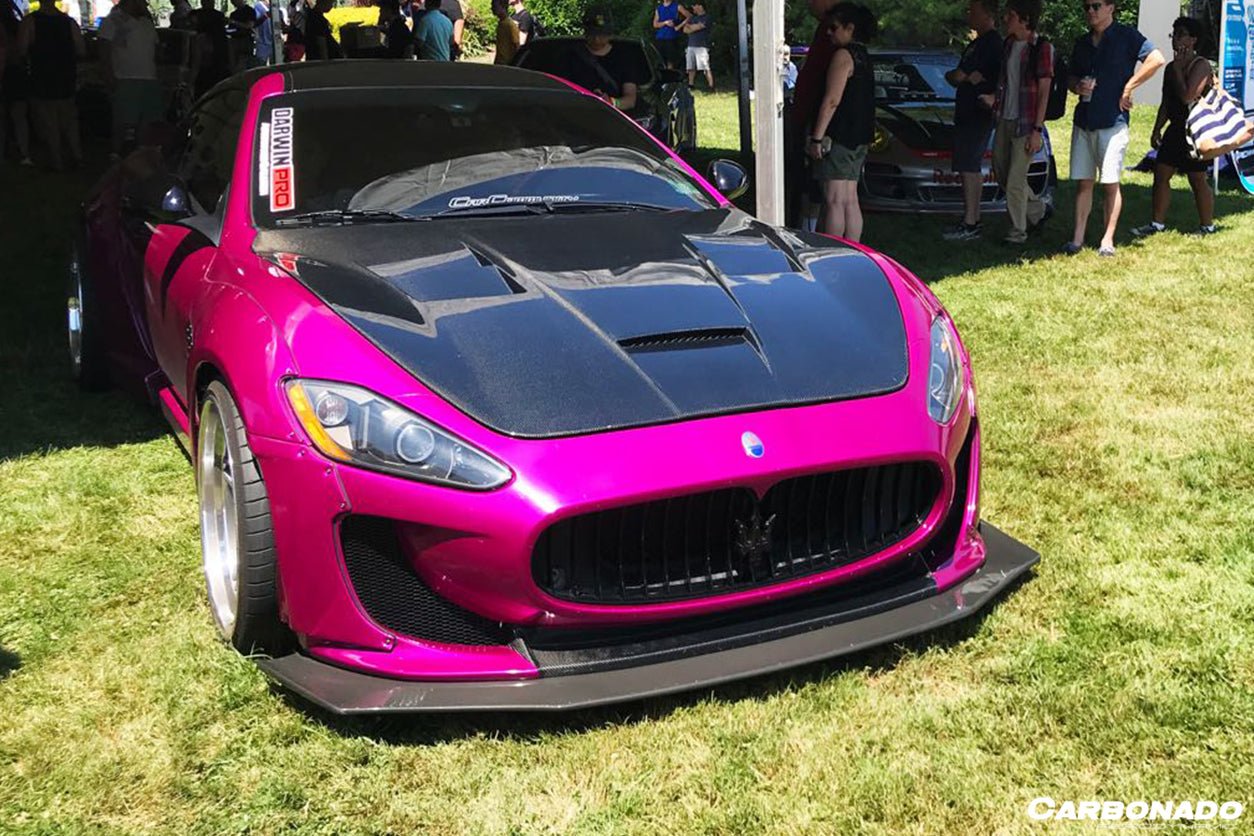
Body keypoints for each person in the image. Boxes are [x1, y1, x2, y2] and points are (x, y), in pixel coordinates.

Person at [1064, 0, 1165, 256]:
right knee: (1084, 183)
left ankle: (1107, 241)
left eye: (1096, 6)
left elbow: (1156, 59)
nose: (1090, 12)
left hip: (1113, 121)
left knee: (1110, 182)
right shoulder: (1082, 43)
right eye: (1086, 7)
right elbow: (1070, 77)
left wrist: (1130, 86)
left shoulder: (1126, 36)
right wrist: (1077, 86)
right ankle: (1077, 239)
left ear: (1111, 8)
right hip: (1084, 120)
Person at [1132, 16, 1216, 237]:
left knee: (1197, 179)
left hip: (1195, 131)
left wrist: (1179, 69)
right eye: (1174, 34)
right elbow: (1167, 101)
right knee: (1161, 173)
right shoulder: (1171, 68)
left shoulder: (1201, 65)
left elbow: (1188, 95)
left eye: (1180, 34)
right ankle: (1156, 223)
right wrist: (1157, 128)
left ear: (1193, 40)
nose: (1175, 39)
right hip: (1175, 129)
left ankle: (1207, 226)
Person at [980, 0, 1052, 245]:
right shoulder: (1009, 44)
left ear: (1024, 19)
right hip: (1004, 118)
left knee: (1014, 181)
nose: (1005, 20)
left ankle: (1017, 233)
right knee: (1003, 173)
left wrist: (1037, 130)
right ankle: (1038, 210)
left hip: (1026, 123)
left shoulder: (1041, 48)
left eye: (1010, 15)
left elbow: (1044, 91)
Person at [807, 2, 876, 242]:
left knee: (835, 199)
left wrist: (817, 137)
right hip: (860, 137)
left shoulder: (843, 56)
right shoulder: (864, 56)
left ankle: (832, 248)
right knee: (850, 197)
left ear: (850, 28)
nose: (829, 32)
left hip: (840, 136)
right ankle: (854, 247)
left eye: (833, 28)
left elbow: (832, 100)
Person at [942, 0, 1002, 241]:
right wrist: (963, 77)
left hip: (978, 113)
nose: (969, 15)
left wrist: (966, 78)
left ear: (987, 14)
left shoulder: (992, 44)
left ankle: (971, 221)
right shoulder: (976, 43)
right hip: (966, 111)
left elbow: (962, 75)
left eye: (973, 11)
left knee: (969, 165)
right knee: (968, 165)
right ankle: (971, 217)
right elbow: (956, 75)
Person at [17, 0, 85, 170]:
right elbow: (81, 48)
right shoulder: (68, 22)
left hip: (43, 74)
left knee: (49, 119)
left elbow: (22, 49)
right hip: (65, 73)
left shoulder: (31, 21)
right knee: (69, 117)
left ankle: (57, 158)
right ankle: (77, 155)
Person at [98, 0, 160, 159]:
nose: (145, 5)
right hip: (125, 76)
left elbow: (154, 48)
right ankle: (116, 153)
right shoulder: (112, 21)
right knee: (123, 120)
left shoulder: (147, 23)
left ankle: (139, 153)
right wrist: (108, 75)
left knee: (146, 119)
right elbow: (103, 49)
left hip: (148, 76)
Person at [559, 8, 645, 111]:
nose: (597, 39)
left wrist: (611, 102)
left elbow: (630, 100)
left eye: (601, 34)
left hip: (613, 119)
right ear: (585, 32)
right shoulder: (571, 56)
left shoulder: (624, 57)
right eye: (592, 34)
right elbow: (561, 94)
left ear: (609, 34)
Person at [1, 0, 32, 166]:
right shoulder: (19, 25)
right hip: (17, 72)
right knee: (19, 115)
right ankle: (24, 153)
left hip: (8, 71)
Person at [190, 0, 230, 96]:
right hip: (222, 75)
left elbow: (196, 62)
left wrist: (190, 81)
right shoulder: (224, 40)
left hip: (205, 77)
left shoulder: (201, 39)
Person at [682, 0, 712, 91]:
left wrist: (691, 27)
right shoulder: (693, 18)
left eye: (694, 6)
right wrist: (693, 27)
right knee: (691, 67)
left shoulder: (706, 18)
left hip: (701, 46)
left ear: (700, 6)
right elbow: (685, 30)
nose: (693, 8)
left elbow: (700, 27)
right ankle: (691, 84)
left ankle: (711, 85)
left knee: (705, 67)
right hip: (691, 45)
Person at [652, 0, 686, 70]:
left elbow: (689, 16)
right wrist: (665, 23)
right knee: (660, 61)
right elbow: (655, 24)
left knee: (671, 61)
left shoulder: (677, 6)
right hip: (660, 37)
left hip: (671, 37)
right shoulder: (659, 8)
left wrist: (679, 26)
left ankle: (670, 77)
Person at [491, 0, 517, 64]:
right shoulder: (501, 23)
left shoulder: (509, 24)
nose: (492, 8)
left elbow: (517, 45)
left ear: (502, 6)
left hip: (507, 63)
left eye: (494, 6)